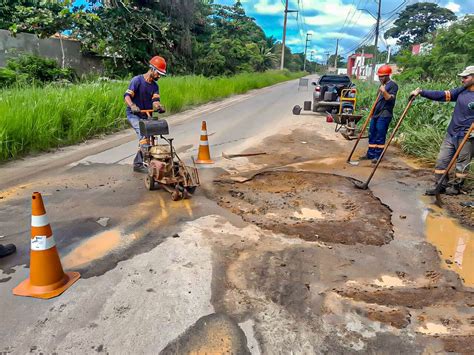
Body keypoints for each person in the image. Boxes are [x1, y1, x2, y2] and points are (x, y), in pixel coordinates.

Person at [411, 65, 474, 196]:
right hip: (452, 133)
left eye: (465, 77)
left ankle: (456, 187)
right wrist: (422, 92)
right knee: (442, 160)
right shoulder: (461, 91)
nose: (462, 80)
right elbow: (442, 95)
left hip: (468, 136)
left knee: (462, 164)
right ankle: (440, 184)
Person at [124, 56, 166, 173]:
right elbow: (127, 96)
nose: (159, 76)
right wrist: (132, 106)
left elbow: (155, 101)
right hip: (134, 114)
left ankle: (138, 163)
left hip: (146, 114)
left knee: (151, 136)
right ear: (152, 69)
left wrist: (159, 106)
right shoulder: (137, 80)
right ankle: (148, 161)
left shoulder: (155, 86)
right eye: (158, 73)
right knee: (144, 136)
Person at [360, 65, 399, 163]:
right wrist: (372, 112)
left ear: (387, 76)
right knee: (372, 133)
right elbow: (378, 101)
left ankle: (377, 156)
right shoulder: (381, 85)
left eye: (382, 76)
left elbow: (390, 99)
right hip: (376, 114)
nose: (380, 78)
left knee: (380, 135)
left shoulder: (393, 85)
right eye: (379, 76)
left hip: (385, 114)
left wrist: (384, 91)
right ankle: (370, 154)